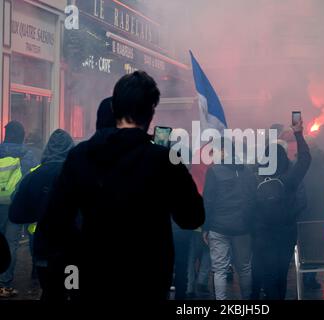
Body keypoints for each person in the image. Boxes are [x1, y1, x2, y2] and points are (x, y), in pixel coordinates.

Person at [38, 71, 205, 302]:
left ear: (114, 109)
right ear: (151, 113)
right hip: (147, 281)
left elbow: (54, 223)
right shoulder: (166, 159)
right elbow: (192, 217)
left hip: (93, 279)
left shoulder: (79, 156)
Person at [8, 129, 75, 301]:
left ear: (47, 149)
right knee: (72, 290)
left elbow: (16, 214)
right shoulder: (79, 174)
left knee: (50, 291)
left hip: (43, 249)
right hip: (72, 250)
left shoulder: (34, 175)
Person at [252, 119, 311, 300]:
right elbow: (305, 159)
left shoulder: (255, 178)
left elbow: (247, 204)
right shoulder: (289, 179)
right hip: (286, 232)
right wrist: (298, 134)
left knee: (268, 272)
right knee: (281, 273)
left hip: (263, 234)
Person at [203, 138, 257, 300]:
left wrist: (206, 227)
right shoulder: (247, 171)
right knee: (245, 268)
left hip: (218, 227)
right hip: (243, 227)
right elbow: (252, 198)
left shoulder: (214, 171)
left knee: (219, 269)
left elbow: (208, 201)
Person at [0, 121, 37, 298]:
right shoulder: (26, 153)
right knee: (11, 244)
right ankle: (4, 283)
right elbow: (29, 179)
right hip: (15, 205)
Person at [299, 144, 324, 290]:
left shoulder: (302, 166)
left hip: (303, 212)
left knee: (304, 244)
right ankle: (310, 276)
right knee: (317, 245)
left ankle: (304, 273)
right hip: (321, 212)